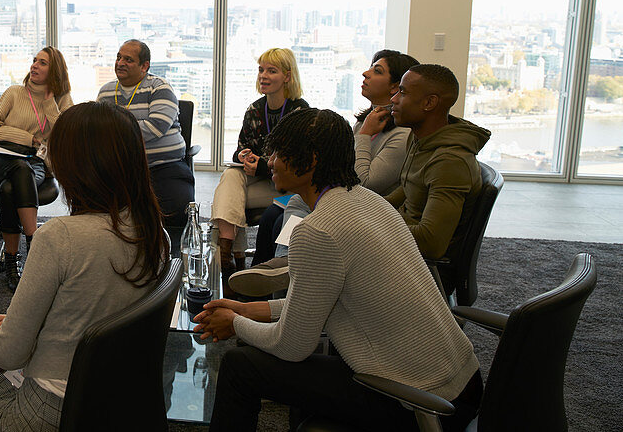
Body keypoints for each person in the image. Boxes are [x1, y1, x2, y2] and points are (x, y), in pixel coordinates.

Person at [0, 100, 169, 432]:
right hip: (112, 393)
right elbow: (94, 301)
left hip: (52, 409)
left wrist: (9, 332)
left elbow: (10, 354)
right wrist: (18, 322)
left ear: (77, 165)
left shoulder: (60, 237)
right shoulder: (154, 233)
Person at [194, 108, 482, 432]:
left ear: (311, 159)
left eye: (279, 153)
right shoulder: (371, 202)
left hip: (418, 403)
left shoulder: (318, 230)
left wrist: (236, 323)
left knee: (240, 365)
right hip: (463, 384)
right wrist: (250, 309)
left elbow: (291, 346)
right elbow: (323, 302)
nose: (270, 161)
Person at [233, 49, 418, 297]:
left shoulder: (397, 134)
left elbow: (364, 181)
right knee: (272, 217)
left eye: (377, 70)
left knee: (283, 215)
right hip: (339, 194)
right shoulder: (367, 121)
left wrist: (362, 136)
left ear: (395, 86)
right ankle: (261, 287)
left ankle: (284, 277)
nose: (365, 73)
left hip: (358, 205)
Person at [0, 46, 73, 289]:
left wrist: (51, 105)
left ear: (55, 71)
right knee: (19, 167)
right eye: (34, 61)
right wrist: (27, 138)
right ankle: (34, 244)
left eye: (42, 63)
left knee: (11, 187)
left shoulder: (62, 100)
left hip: (33, 164)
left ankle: (12, 262)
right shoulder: (15, 92)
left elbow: (65, 138)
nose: (34, 66)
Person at [388, 63, 491, 291]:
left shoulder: (449, 161)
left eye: (402, 92)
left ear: (429, 103)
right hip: (402, 249)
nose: (393, 99)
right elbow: (406, 190)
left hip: (421, 270)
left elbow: (432, 242)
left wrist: (376, 223)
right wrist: (362, 208)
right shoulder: (420, 140)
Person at [210, 47, 307, 281]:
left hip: (286, 188)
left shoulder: (300, 111)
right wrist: (243, 157)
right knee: (231, 177)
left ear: (287, 76)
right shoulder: (254, 109)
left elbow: (299, 163)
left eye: (271, 71)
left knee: (229, 199)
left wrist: (262, 166)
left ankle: (229, 256)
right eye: (261, 70)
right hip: (260, 182)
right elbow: (240, 149)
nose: (263, 76)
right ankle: (228, 256)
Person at [96, 39, 194, 254]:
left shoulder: (159, 87)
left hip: (164, 166)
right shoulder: (105, 93)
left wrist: (116, 132)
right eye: (118, 57)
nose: (120, 62)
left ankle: (170, 258)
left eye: (128, 59)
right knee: (96, 206)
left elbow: (156, 127)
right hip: (121, 168)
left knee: (177, 208)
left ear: (144, 66)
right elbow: (99, 132)